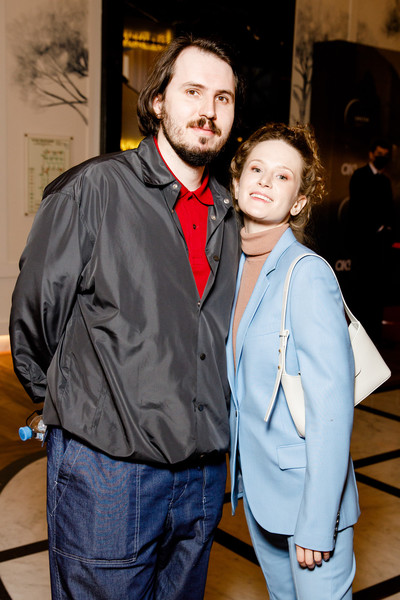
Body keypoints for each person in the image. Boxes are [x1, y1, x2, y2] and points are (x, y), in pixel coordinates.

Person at [10, 35, 241, 600]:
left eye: (223, 98)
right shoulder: (93, 190)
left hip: (202, 476)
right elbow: (35, 318)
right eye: (193, 92)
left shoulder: (233, 214)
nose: (209, 111)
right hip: (109, 475)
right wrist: (69, 406)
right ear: (158, 101)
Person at [227, 123, 360, 600]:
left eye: (283, 176)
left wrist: (318, 521)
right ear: (237, 183)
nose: (265, 181)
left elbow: (331, 408)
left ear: (299, 202)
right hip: (262, 492)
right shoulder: (233, 267)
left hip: (309, 498)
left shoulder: (307, 274)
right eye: (256, 169)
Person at [347, 138, 395, 343]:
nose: (382, 158)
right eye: (379, 154)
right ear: (371, 154)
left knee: (377, 290)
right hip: (362, 244)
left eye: (385, 155)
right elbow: (358, 209)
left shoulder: (385, 181)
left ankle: (375, 337)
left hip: (381, 246)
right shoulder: (359, 176)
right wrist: (375, 226)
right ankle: (359, 338)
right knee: (361, 290)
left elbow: (390, 211)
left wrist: (387, 229)